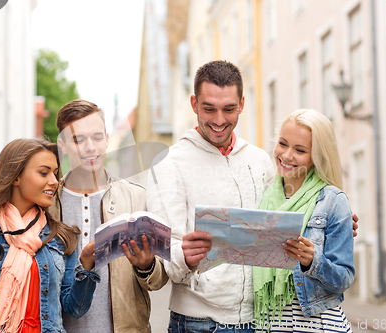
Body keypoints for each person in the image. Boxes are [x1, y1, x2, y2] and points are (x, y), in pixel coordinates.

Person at [146, 60, 359, 333]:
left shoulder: (260, 161)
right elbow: (165, 259)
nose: (219, 120)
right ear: (194, 104)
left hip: (259, 321)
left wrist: (336, 223)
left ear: (242, 104)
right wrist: (185, 256)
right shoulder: (168, 163)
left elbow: (289, 212)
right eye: (209, 108)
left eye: (229, 109)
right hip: (200, 322)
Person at [0, 138, 99, 333]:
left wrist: (87, 264)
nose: (54, 181)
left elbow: (75, 308)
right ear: (15, 177)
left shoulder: (60, 237)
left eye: (55, 173)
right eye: (44, 173)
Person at [49, 99, 168, 333]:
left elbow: (159, 280)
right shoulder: (46, 204)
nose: (90, 147)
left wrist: (146, 265)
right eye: (78, 139)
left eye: (96, 137)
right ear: (62, 145)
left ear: (106, 139)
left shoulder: (137, 199)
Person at [253, 109, 354, 332]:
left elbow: (345, 278)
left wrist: (312, 261)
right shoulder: (261, 195)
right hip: (270, 324)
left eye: (300, 150)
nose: (287, 155)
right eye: (282, 143)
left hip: (317, 324)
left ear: (317, 157)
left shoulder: (332, 200)